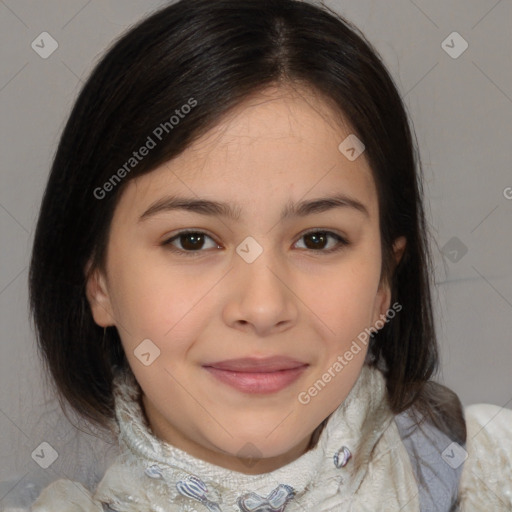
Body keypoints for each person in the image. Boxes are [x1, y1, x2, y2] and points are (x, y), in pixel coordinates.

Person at [11, 0, 512, 510]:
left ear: (385, 281)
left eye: (318, 239)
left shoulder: (490, 478)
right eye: (192, 240)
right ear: (98, 282)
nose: (264, 307)